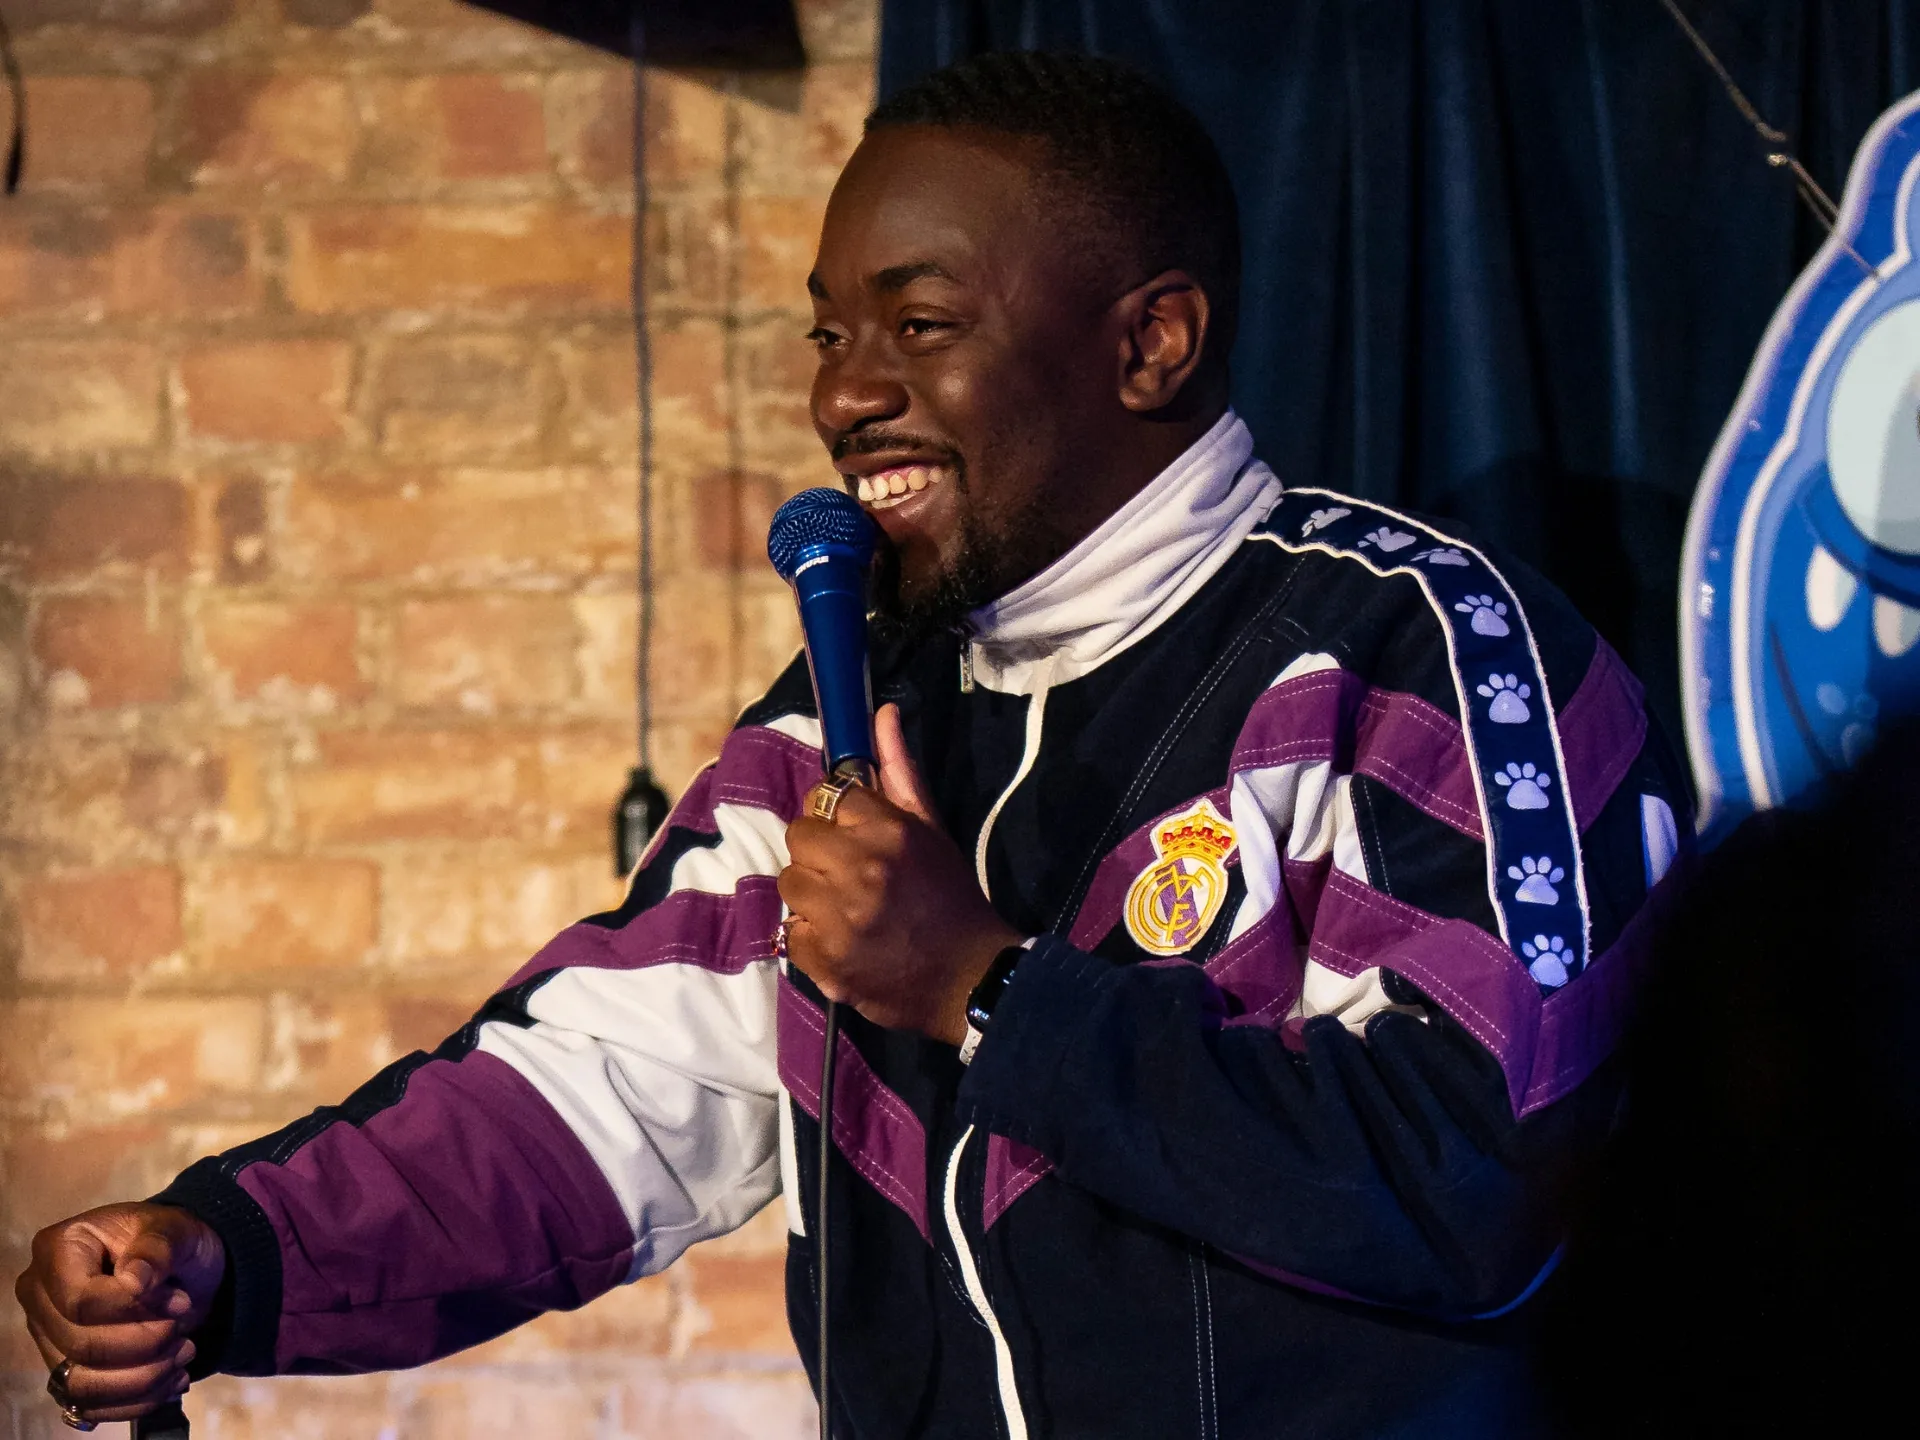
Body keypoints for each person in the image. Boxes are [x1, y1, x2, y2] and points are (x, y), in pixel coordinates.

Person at [16, 52, 1687, 1438]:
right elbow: (592, 1101)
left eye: (918, 323)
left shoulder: (1419, 652)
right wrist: (223, 1251)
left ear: (1150, 341)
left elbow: (1491, 1182)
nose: (844, 396)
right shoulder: (843, 717)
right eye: (830, 334)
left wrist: (988, 987)